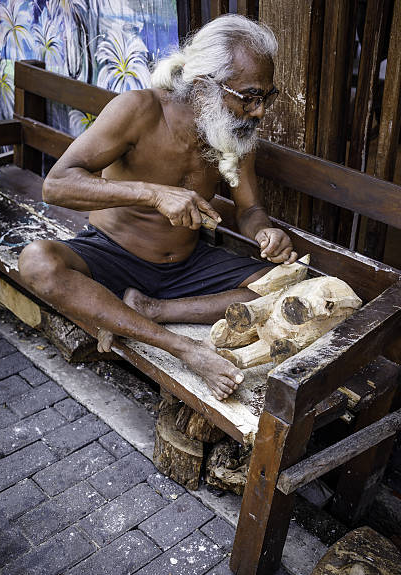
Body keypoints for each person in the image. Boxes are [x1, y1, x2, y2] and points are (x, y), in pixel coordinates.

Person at [18, 14, 297, 401]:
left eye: (266, 97)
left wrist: (265, 232)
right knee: (36, 262)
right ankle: (183, 348)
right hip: (113, 254)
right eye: (249, 97)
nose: (259, 111)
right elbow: (57, 185)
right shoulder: (139, 109)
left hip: (187, 265)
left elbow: (249, 210)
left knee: (285, 288)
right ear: (204, 85)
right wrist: (153, 194)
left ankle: (150, 310)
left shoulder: (234, 130)